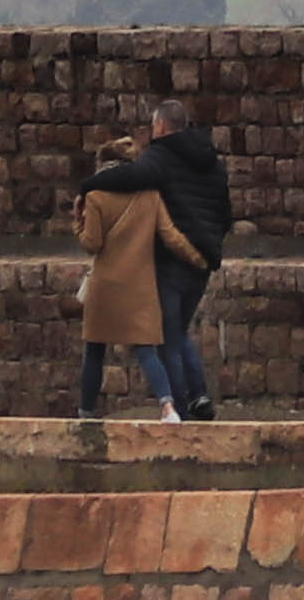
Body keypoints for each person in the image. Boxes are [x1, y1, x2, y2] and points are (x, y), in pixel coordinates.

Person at [81, 96, 235, 419]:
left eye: (153, 127)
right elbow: (225, 215)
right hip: (203, 261)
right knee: (178, 331)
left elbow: (129, 177)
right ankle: (199, 397)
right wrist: (210, 250)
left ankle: (177, 408)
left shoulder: (161, 156)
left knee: (166, 337)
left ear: (161, 126)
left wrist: (89, 185)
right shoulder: (213, 162)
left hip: (173, 260)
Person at [74, 158, 202, 415]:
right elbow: (171, 236)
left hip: (105, 287)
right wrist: (198, 258)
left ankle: (85, 413)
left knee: (95, 350)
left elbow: (92, 244)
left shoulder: (96, 197)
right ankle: (167, 406)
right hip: (140, 288)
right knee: (146, 351)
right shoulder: (151, 196)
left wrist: (77, 223)